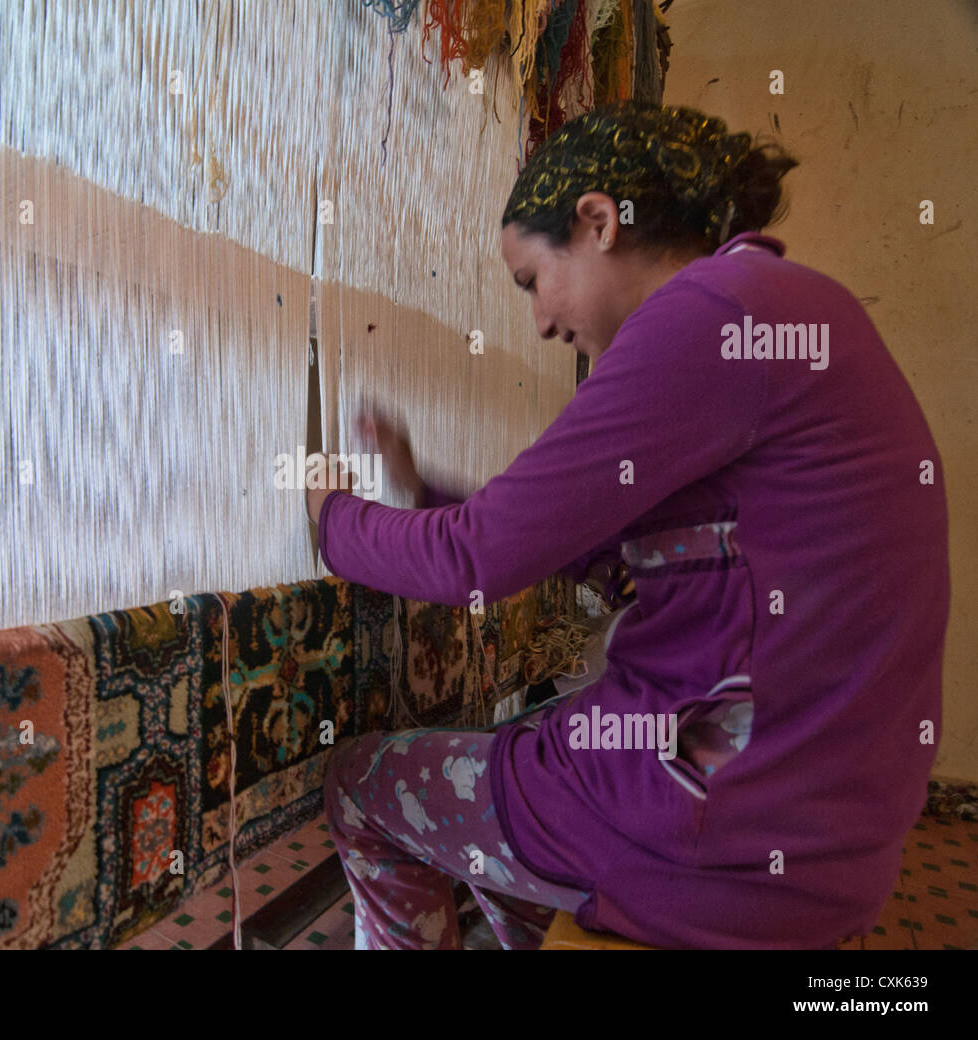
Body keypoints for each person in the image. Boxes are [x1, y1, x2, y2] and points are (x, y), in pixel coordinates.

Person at [304, 102, 949, 950]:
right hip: (824, 844)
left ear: (598, 221)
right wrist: (422, 488)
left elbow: (478, 557)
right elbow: (597, 559)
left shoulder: (709, 315)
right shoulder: (793, 310)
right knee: (517, 752)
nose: (538, 323)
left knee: (360, 782)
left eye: (533, 280)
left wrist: (327, 516)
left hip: (712, 841)